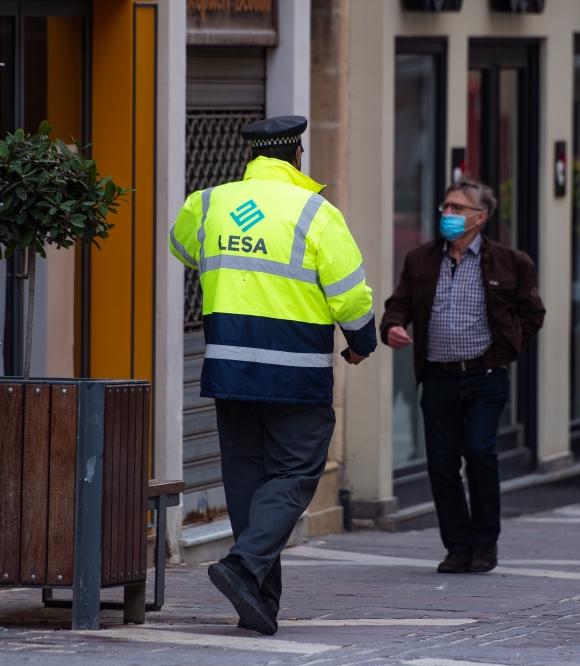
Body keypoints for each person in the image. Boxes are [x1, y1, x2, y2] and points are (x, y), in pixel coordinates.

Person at [169, 115, 376, 635]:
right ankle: (240, 568)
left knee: (247, 483)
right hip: (294, 373)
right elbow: (349, 294)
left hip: (229, 367)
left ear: (253, 158)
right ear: (297, 156)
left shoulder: (209, 203)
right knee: (294, 474)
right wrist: (362, 343)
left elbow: (183, 246)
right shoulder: (317, 213)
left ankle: (258, 602)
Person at [381, 179, 545, 575]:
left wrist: (504, 353)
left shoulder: (511, 262)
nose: (448, 215)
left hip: (484, 377)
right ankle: (457, 545)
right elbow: (398, 303)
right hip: (437, 377)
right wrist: (392, 326)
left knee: (479, 450)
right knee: (440, 463)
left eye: (457, 208)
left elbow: (532, 313)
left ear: (480, 217)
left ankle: (485, 543)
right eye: (446, 207)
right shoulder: (420, 260)